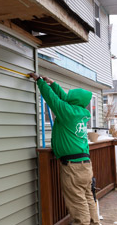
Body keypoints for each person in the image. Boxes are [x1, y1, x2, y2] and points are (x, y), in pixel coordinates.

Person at [28, 73, 100, 225]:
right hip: (85, 165)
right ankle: (95, 223)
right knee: (88, 198)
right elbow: (64, 99)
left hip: (73, 167)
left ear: (74, 100)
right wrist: (53, 84)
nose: (67, 97)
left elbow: (53, 99)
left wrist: (40, 81)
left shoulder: (67, 112)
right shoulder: (82, 113)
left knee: (77, 203)